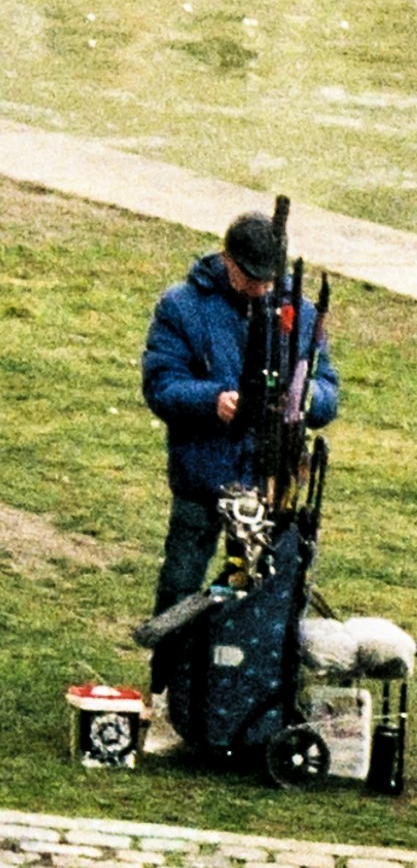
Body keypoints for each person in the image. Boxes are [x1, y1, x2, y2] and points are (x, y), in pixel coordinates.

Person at [139, 217, 338, 668]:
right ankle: (170, 683)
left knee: (265, 595)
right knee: (181, 585)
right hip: (204, 478)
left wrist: (301, 401)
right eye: (249, 277)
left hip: (271, 482)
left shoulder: (300, 314)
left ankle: (247, 690)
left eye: (268, 278)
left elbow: (327, 389)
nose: (259, 289)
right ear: (226, 258)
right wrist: (213, 401)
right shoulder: (181, 307)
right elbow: (161, 386)